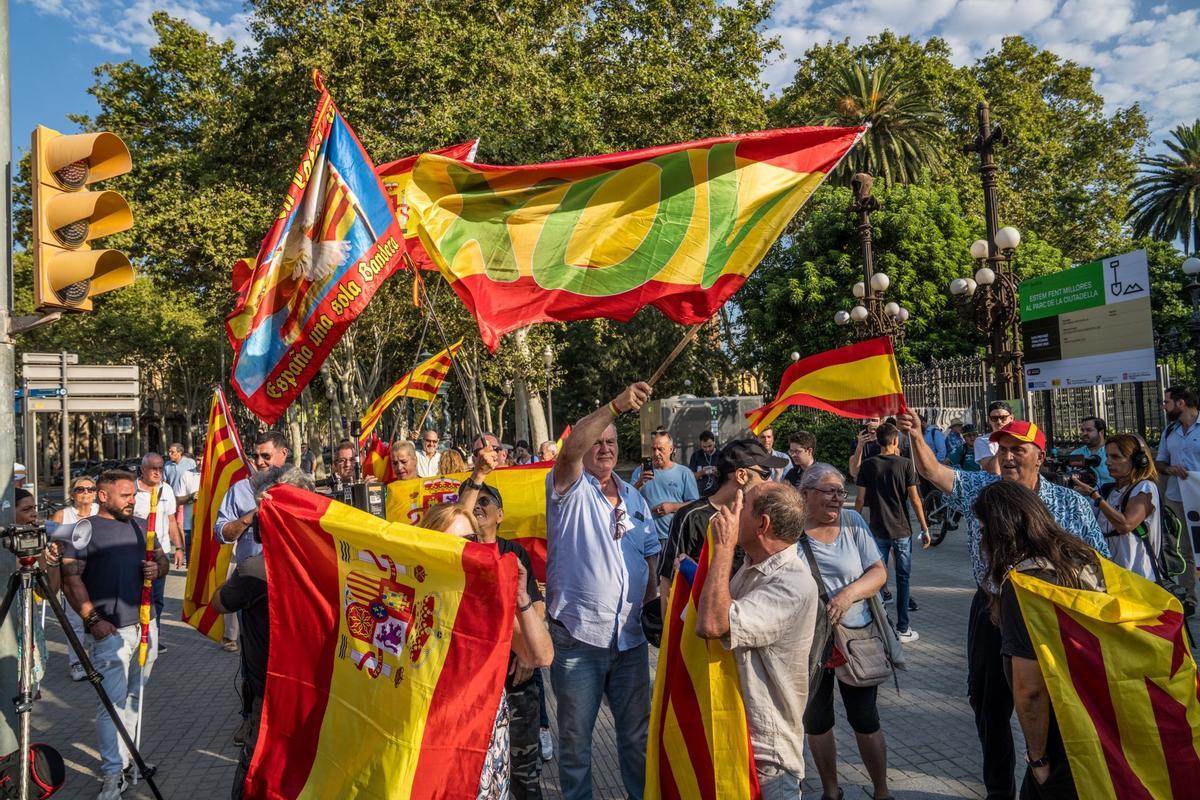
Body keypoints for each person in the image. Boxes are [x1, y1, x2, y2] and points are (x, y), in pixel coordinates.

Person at [897, 410, 1108, 800]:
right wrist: (916, 435)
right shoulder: (983, 488)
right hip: (993, 608)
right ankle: (999, 790)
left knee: (1057, 703)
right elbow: (932, 472)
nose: (1008, 456)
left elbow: (1101, 562)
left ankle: (1053, 777)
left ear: (1040, 457)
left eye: (1018, 449)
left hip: (1055, 618)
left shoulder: (1070, 504)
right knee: (988, 703)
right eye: (1002, 448)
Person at [545, 381, 660, 800]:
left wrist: (652, 606)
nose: (606, 448)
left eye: (612, 442)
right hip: (578, 639)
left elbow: (650, 554)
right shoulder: (568, 488)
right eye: (599, 441)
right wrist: (615, 406)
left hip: (629, 642)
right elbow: (571, 450)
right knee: (575, 746)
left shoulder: (633, 497)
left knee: (636, 738)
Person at [976, 481, 1104, 799]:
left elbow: (1031, 691)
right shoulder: (1080, 558)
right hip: (1102, 720)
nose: (981, 540)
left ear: (1001, 533)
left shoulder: (1024, 587)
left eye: (983, 530)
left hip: (1065, 742)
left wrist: (1039, 759)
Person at [420, 499, 552, 800]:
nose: (464, 551)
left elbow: (541, 656)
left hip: (486, 742)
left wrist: (520, 598)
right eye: (449, 543)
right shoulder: (414, 597)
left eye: (469, 541)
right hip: (436, 742)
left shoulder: (490, 596)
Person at [695, 482, 819, 798]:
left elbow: (712, 623)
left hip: (769, 763)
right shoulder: (752, 567)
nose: (730, 512)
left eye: (742, 505)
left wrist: (722, 548)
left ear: (762, 525)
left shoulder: (792, 583)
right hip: (739, 746)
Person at [61, 469, 170, 800]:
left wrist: (158, 568)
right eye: (126, 495)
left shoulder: (140, 525)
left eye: (133, 495)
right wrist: (93, 620)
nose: (132, 500)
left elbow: (161, 560)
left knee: (135, 697)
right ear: (103, 496)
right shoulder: (83, 529)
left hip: (145, 626)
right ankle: (112, 773)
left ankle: (131, 763)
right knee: (111, 703)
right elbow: (70, 577)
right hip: (110, 632)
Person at [458, 445, 554, 799]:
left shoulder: (514, 555)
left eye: (487, 502)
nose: (479, 506)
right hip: (473, 687)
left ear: (500, 515)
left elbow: (537, 608)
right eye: (475, 502)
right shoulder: (457, 553)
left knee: (526, 779)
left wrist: (528, 655)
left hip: (516, 682)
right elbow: (458, 514)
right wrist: (478, 476)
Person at [212, 465, 313, 800]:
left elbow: (219, 604)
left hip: (270, 691)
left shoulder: (255, 569)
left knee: (257, 765)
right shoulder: (325, 558)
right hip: (314, 690)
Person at [798, 463, 893, 800]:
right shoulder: (790, 530)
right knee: (817, 720)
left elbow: (878, 572)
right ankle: (830, 792)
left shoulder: (852, 523)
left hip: (855, 634)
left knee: (865, 717)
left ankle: (881, 792)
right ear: (806, 494)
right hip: (809, 642)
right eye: (830, 491)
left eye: (841, 491)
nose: (838, 498)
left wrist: (847, 594)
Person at [215, 431, 288, 739]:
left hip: (289, 591)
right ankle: (251, 719)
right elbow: (222, 533)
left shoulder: (299, 487)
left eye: (266, 456)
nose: (258, 462)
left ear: (283, 455)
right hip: (252, 588)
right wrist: (250, 517)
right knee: (253, 663)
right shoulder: (239, 491)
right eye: (255, 456)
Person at [657, 439, 783, 613]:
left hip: (748, 623)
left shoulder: (761, 517)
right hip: (700, 629)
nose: (770, 481)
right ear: (741, 476)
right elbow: (669, 582)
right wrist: (671, 638)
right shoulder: (691, 516)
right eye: (764, 473)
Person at [854, 423, 929, 639]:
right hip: (902, 530)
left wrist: (855, 523)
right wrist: (924, 528)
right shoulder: (905, 464)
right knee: (903, 578)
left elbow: (859, 499)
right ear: (896, 441)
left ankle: (880, 624)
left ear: (877, 442)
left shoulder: (868, 465)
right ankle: (903, 627)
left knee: (876, 579)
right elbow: (915, 499)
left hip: (877, 531)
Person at [1077, 434, 1161, 581]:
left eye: (1116, 457)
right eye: (1108, 456)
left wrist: (1095, 496)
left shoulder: (1145, 488)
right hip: (1113, 574)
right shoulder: (1109, 490)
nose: (1108, 462)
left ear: (1137, 460)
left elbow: (1125, 525)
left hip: (1139, 576)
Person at [1155, 385, 1200, 611]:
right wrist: (1171, 470)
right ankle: (1190, 600)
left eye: (1166, 402)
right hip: (1177, 498)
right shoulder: (1169, 431)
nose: (1164, 406)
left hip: (1198, 495)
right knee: (1185, 550)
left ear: (1181, 403)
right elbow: (1160, 463)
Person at [53, 476, 100, 682]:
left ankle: (98, 660)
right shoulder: (63, 515)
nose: (86, 493)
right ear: (72, 493)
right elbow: (51, 543)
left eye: (91, 489)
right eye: (81, 489)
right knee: (75, 622)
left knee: (98, 618)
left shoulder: (102, 512)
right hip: (71, 576)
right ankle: (77, 662)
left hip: (98, 573)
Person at [135, 453, 185, 639]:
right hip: (136, 554)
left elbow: (171, 521)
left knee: (157, 599)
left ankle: (153, 637)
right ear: (142, 470)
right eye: (153, 469)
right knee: (137, 597)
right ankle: (139, 636)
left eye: (160, 469)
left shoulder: (167, 490)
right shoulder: (132, 491)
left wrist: (178, 548)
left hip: (160, 554)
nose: (157, 473)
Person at [632, 431, 700, 542]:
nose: (656, 453)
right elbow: (627, 499)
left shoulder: (684, 473)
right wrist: (639, 483)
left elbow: (695, 505)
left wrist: (673, 507)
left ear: (671, 449)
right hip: (646, 536)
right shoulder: (640, 472)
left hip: (674, 536)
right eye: (654, 449)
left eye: (660, 449)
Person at [975, 401, 1014, 475]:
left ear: (1011, 418)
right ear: (989, 420)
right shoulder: (981, 441)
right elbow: (994, 470)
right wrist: (1002, 441)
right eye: (994, 418)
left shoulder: (1020, 438)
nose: (999, 422)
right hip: (995, 484)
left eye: (1003, 418)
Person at [1071, 417, 1111, 487]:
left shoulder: (1113, 452)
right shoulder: (1076, 453)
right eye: (1082, 430)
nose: (1084, 433)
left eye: (1089, 430)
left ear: (1101, 432)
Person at [689, 430, 720, 497]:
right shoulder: (696, 456)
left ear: (714, 442)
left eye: (710, 446)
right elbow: (690, 478)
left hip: (718, 495)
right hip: (700, 495)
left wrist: (717, 472)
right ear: (700, 444)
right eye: (704, 447)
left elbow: (726, 478)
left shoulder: (721, 455)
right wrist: (703, 472)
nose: (707, 449)